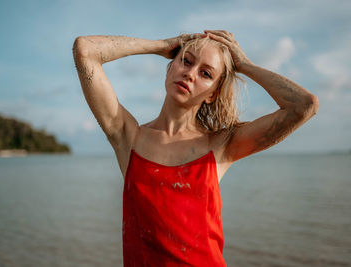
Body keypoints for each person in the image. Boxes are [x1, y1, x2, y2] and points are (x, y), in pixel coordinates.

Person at [72, 30, 319, 266]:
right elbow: (85, 50)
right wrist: (160, 46)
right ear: (170, 67)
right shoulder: (129, 137)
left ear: (213, 94)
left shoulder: (221, 145)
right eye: (186, 61)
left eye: (206, 74)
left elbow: (304, 106)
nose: (190, 74)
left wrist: (243, 64)